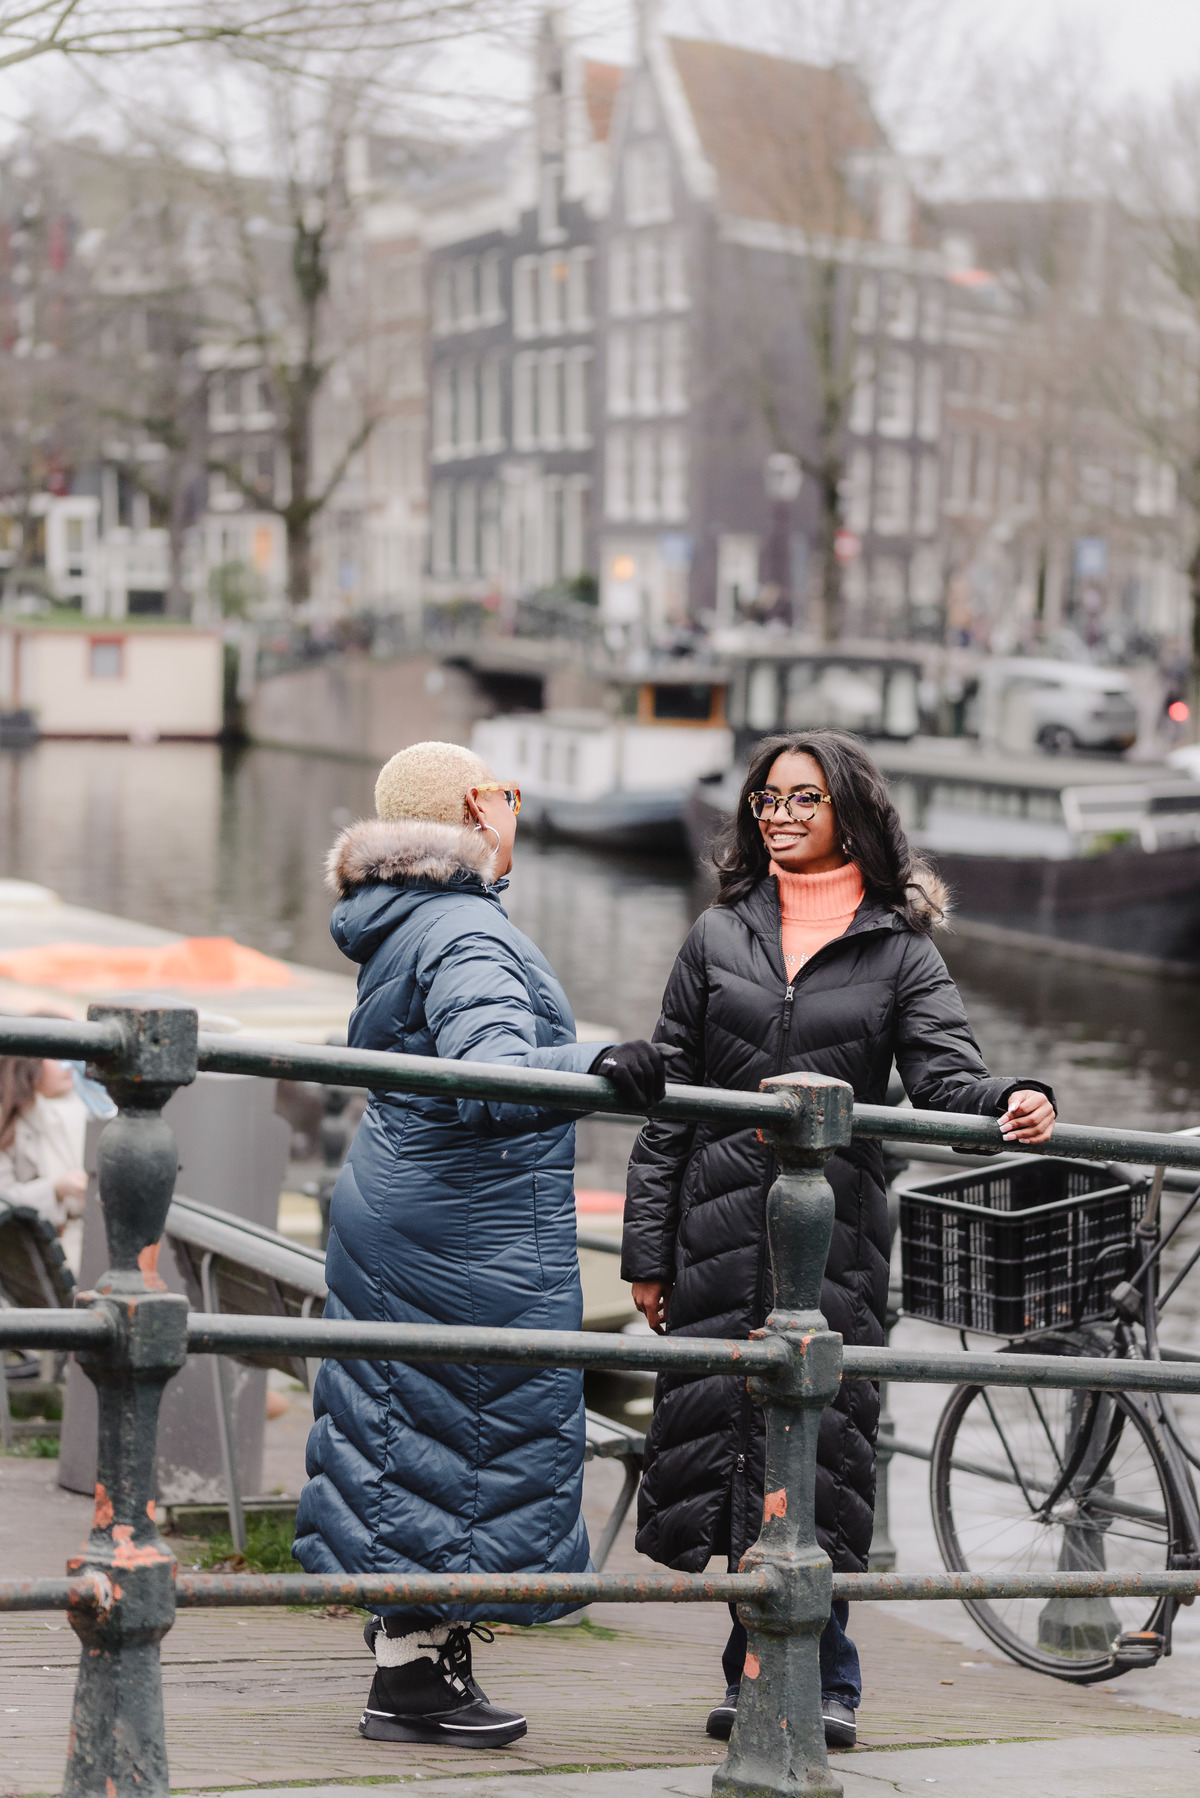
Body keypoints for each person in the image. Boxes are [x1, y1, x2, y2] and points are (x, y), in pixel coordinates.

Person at [620, 730, 1056, 1752]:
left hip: (838, 1240)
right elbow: (669, 1103)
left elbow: (947, 1076)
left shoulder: (900, 950)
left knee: (824, 1442)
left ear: (849, 811)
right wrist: (648, 1252)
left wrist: (1015, 1098)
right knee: (735, 1446)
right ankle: (756, 1661)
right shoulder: (718, 935)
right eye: (766, 798)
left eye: (801, 798)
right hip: (721, 1229)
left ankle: (827, 1671)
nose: (778, 815)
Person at [293, 740, 665, 1750]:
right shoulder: (464, 926)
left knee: (406, 1442)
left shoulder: (408, 917)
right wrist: (597, 1057)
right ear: (473, 808)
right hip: (467, 1226)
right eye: (505, 792)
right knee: (462, 1438)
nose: (516, 808)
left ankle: (412, 1668)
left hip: (404, 1206)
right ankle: (415, 1679)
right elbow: (494, 1072)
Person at [0, 1056, 89, 1268]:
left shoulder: (86, 1109)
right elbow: (4, 1201)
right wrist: (56, 1189)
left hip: (87, 1245)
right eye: (58, 1057)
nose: (68, 1066)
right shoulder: (10, 1122)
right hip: (32, 1258)